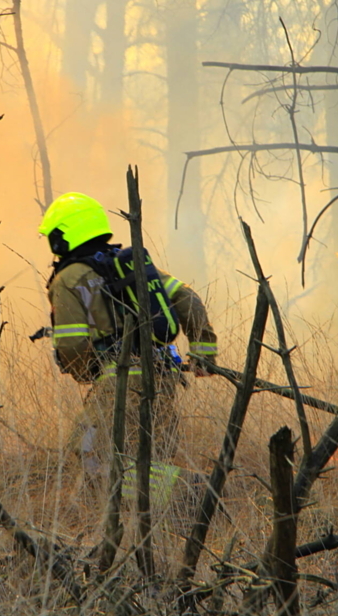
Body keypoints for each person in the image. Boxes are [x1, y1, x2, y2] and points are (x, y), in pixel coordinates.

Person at [38, 192, 217, 479]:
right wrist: (203, 353)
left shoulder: (68, 278)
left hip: (117, 379)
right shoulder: (131, 265)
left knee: (86, 455)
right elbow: (188, 297)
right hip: (163, 374)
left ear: (64, 234)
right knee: (149, 452)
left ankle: (191, 490)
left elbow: (71, 344)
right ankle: (170, 514)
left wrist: (86, 372)